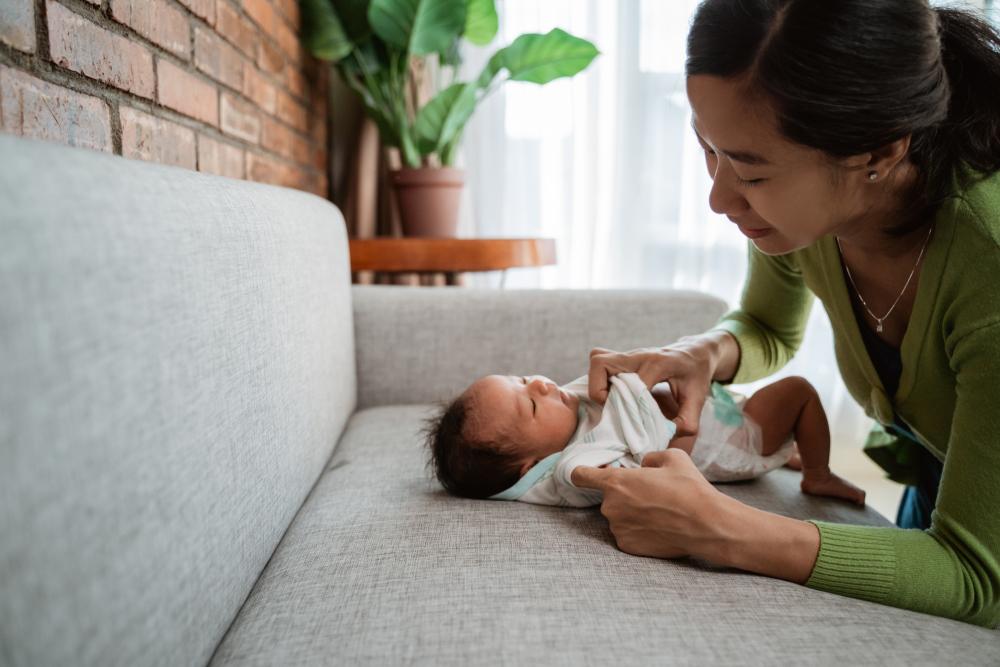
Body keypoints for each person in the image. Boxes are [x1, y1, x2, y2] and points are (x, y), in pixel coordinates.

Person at [570, 0, 1000, 628]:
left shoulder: (987, 265)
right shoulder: (810, 212)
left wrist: (719, 528)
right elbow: (769, 327)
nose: (717, 197)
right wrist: (704, 352)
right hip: (939, 488)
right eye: (707, 149)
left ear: (876, 152)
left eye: (749, 171)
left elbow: (976, 576)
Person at [424, 370, 864, 507]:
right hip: (739, 436)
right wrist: (654, 407)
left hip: (721, 416)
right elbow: (640, 469)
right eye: (532, 405)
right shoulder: (577, 466)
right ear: (528, 465)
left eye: (521, 378)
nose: (539, 383)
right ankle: (818, 473)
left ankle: (789, 455)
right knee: (800, 391)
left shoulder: (573, 422)